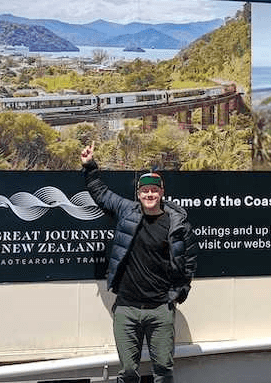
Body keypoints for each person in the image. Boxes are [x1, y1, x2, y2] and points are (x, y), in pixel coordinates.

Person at [81, 142, 197, 383]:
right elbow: (101, 193)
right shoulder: (127, 211)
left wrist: (177, 295)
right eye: (145, 191)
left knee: (164, 371)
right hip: (127, 309)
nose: (149, 195)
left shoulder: (177, 223)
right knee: (128, 373)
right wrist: (90, 166)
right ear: (138, 194)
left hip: (160, 309)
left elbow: (189, 263)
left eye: (154, 190)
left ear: (162, 192)